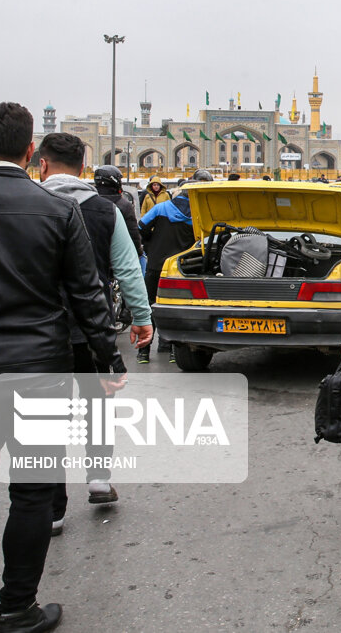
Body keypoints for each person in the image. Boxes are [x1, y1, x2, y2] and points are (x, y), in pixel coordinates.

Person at [0, 102, 127, 633]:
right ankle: (16, 608)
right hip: (35, 369)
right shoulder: (54, 210)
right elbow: (87, 295)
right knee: (31, 493)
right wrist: (108, 360)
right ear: (28, 152)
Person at [37, 134, 153, 521]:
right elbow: (128, 267)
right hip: (92, 326)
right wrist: (141, 317)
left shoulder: (32, 205)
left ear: (42, 165)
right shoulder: (106, 211)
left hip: (42, 329)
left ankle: (52, 508)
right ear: (84, 167)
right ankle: (98, 480)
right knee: (95, 406)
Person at [138, 184, 197, 363]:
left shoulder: (162, 207)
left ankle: (144, 352)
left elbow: (141, 227)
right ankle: (173, 351)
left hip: (156, 264)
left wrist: (151, 245)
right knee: (178, 307)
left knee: (150, 306)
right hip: (181, 268)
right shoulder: (197, 213)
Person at [93, 165, 144, 258]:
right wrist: (139, 251)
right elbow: (133, 235)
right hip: (118, 257)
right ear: (115, 181)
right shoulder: (123, 205)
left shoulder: (89, 201)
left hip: (93, 256)